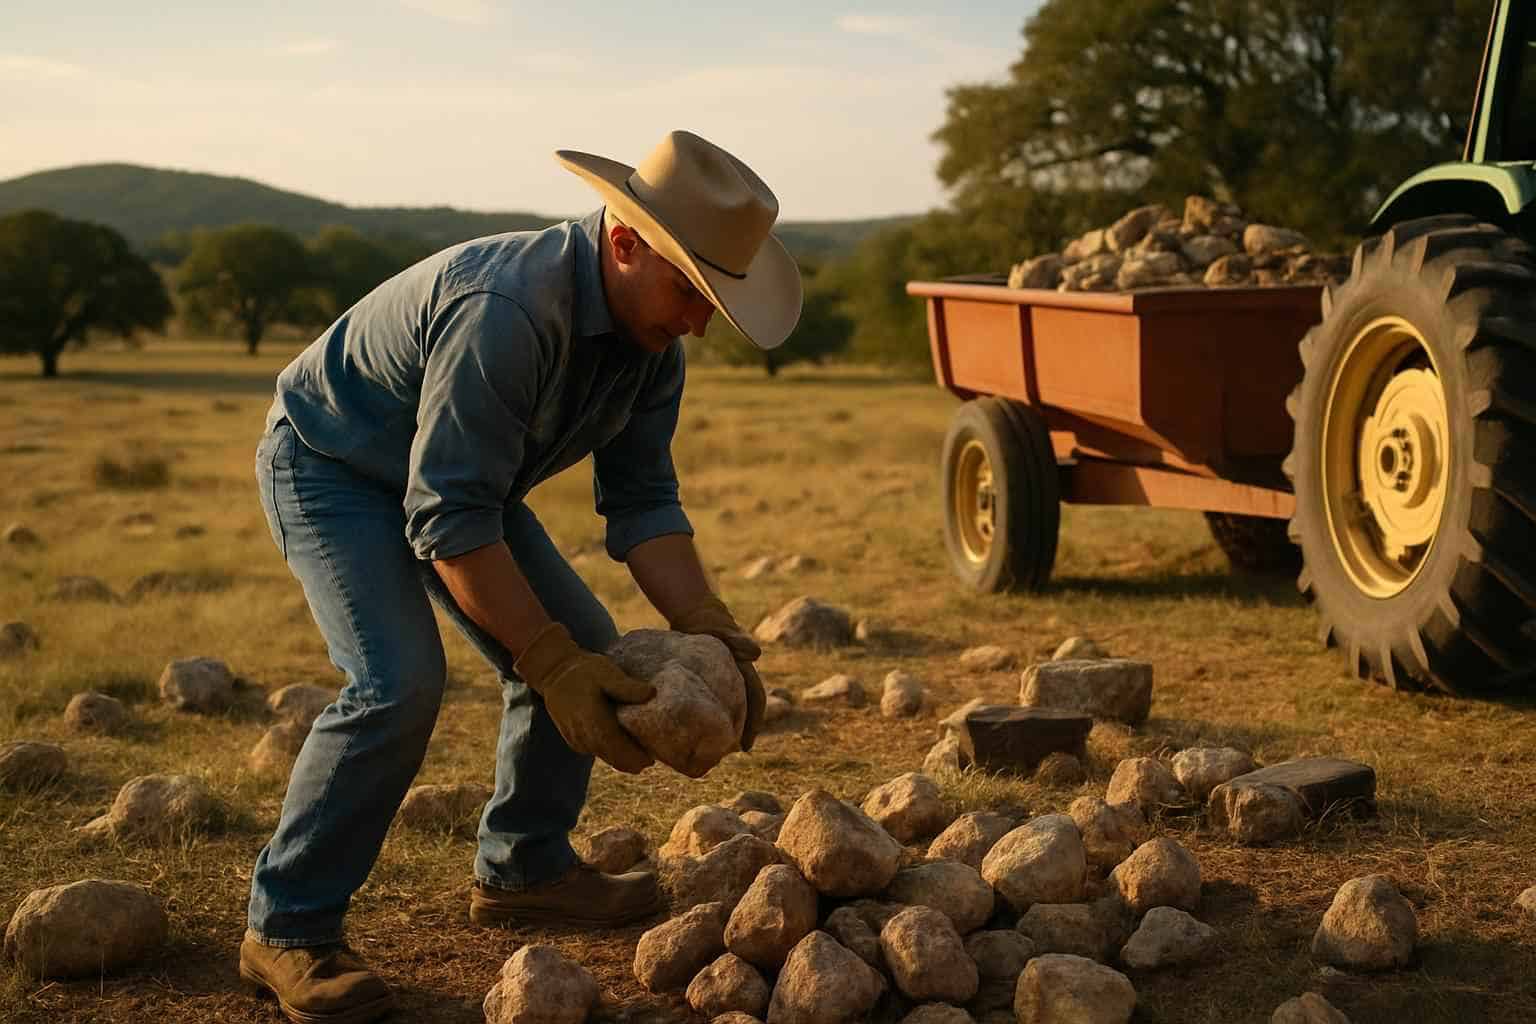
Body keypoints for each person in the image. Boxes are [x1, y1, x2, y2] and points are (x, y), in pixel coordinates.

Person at [236, 130, 803, 1024]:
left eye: (714, 302)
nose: (699, 322)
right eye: (692, 291)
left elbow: (645, 501)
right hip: (332, 465)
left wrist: (709, 624)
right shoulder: (506, 308)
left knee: (579, 648)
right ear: (624, 242)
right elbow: (450, 521)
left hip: (463, 488)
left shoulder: (654, 346)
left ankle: (525, 870)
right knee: (398, 683)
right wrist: (544, 658)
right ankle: (289, 926)